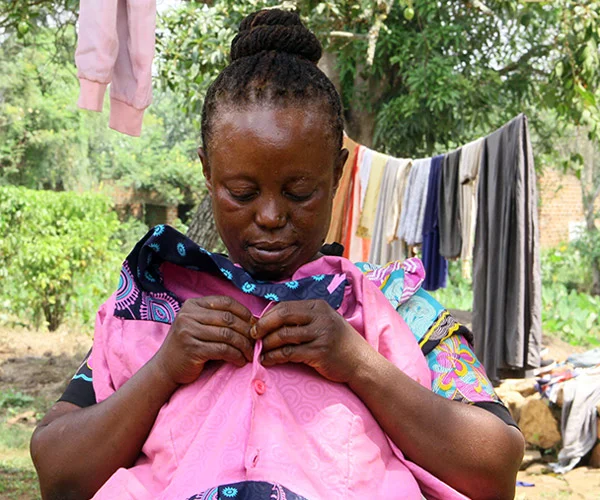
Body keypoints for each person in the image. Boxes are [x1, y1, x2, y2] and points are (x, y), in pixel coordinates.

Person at [30, 9, 524, 500]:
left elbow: (496, 467)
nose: (269, 215)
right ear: (207, 173)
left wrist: (358, 363)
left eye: (299, 191)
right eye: (242, 192)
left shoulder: (395, 305)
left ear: (336, 173)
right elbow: (58, 471)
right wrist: (164, 368)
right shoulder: (155, 308)